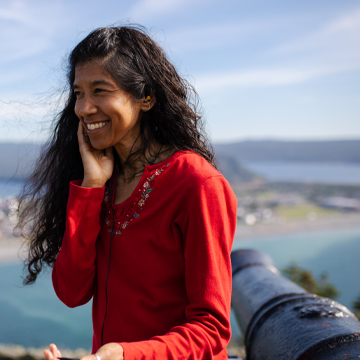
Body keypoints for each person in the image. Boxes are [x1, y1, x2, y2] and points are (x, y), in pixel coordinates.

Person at [16, 25, 237, 360]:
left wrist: (123, 355)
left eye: (99, 91)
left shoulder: (196, 184)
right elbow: (71, 292)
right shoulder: (100, 182)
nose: (84, 108)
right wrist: (91, 188)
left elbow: (212, 329)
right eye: (78, 93)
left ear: (145, 97)